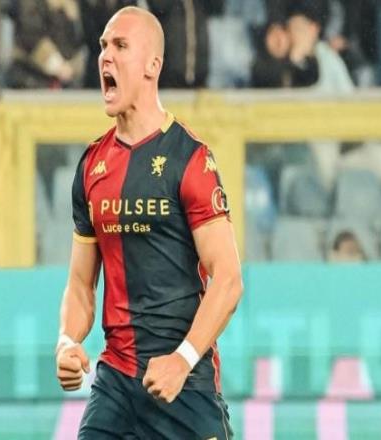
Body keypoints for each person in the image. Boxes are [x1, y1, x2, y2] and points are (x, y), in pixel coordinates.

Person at [55, 6, 243, 439]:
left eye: (120, 46)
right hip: (115, 384)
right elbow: (81, 284)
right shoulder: (91, 165)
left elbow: (229, 279)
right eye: (103, 46)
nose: (106, 56)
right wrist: (67, 341)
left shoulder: (190, 158)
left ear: (152, 65)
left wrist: (183, 358)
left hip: (185, 385)